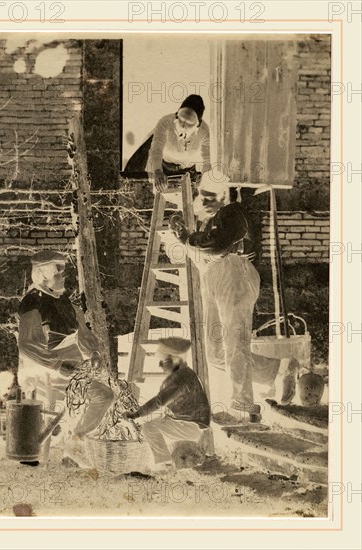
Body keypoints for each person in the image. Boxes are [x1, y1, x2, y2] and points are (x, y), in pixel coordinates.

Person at [170, 175, 296, 419]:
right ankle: (277, 368)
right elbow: (201, 252)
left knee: (234, 344)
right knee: (215, 352)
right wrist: (181, 236)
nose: (205, 200)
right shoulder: (204, 223)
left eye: (211, 195)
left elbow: (217, 245)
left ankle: (242, 407)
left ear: (223, 195)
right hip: (213, 276)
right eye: (202, 195)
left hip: (234, 274)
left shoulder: (232, 212)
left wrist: (186, 238)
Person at [17, 250, 114, 464]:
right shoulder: (33, 302)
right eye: (58, 274)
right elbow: (27, 345)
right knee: (103, 395)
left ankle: (74, 443)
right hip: (48, 369)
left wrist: (94, 353)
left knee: (108, 393)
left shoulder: (62, 299)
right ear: (44, 276)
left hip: (74, 362)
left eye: (62, 273)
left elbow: (81, 332)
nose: (63, 277)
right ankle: (75, 442)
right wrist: (58, 365)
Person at [124, 337, 211, 472]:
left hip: (189, 426)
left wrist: (136, 414)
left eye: (163, 361)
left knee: (148, 428)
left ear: (176, 359)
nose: (160, 365)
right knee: (153, 427)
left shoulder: (180, 378)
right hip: (188, 424)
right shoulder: (185, 373)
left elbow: (159, 401)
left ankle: (165, 464)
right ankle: (169, 461)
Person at [124, 94, 211, 192]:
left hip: (188, 170)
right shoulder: (165, 122)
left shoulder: (204, 131)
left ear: (197, 125)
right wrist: (157, 171)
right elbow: (156, 148)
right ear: (177, 115)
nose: (183, 126)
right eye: (181, 119)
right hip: (164, 167)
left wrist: (205, 176)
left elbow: (207, 160)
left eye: (189, 123)